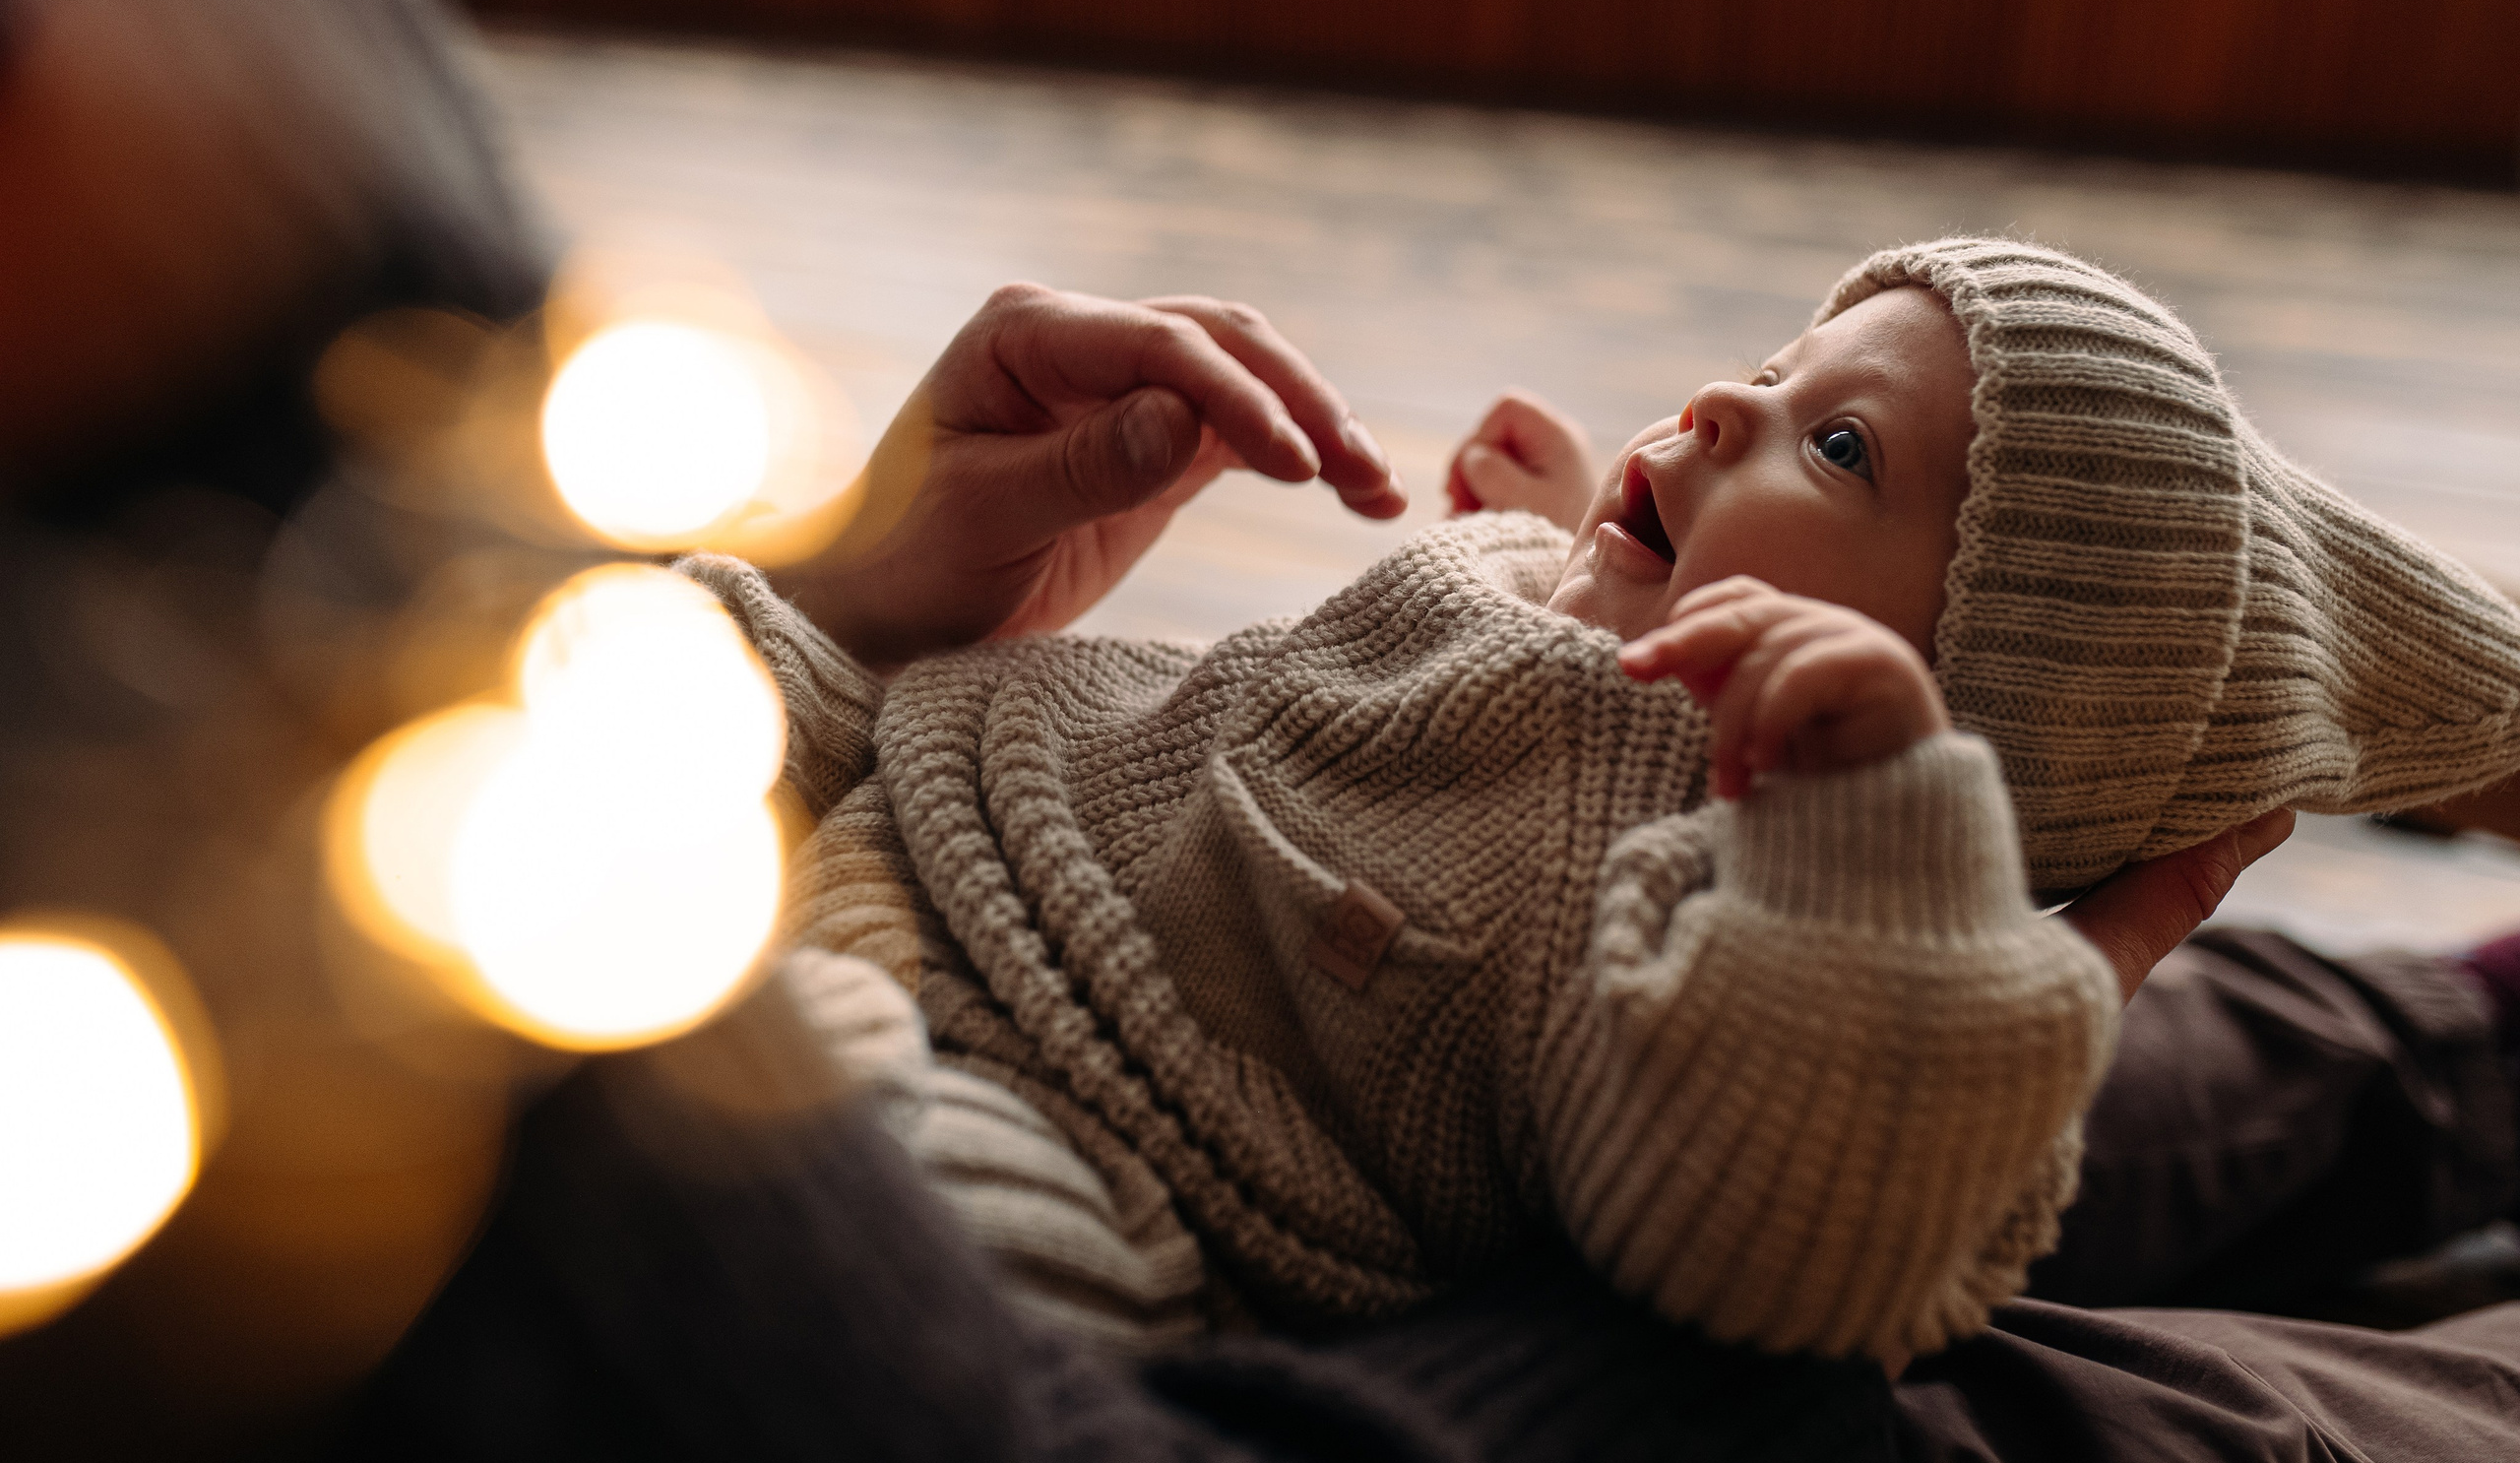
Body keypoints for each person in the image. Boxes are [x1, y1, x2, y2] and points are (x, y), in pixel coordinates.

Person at [733, 240, 2520, 1373]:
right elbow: (1517, 733)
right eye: (1777, 364)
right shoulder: (1574, 615)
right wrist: (1579, 537)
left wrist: (1867, 896)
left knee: (880, 1237)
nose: (1729, 401)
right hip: (922, 838)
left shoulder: (1717, 883)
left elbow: (1769, 1224)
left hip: (1079, 1159)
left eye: (1841, 449)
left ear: (1930, 727)